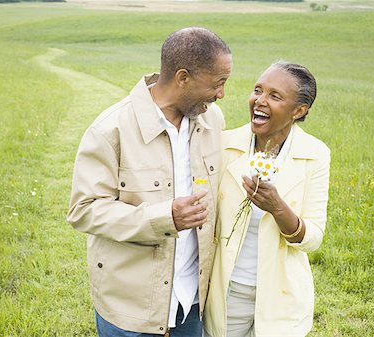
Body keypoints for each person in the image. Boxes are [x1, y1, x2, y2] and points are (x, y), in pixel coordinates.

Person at [67, 27, 232, 336]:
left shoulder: (214, 120)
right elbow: (83, 210)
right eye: (218, 83)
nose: (221, 93)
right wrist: (164, 217)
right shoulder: (110, 129)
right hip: (131, 310)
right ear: (183, 78)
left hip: (192, 304)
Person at [204, 61, 331, 337]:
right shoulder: (224, 145)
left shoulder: (315, 155)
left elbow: (313, 239)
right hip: (229, 292)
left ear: (299, 110)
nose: (259, 101)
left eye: (274, 96)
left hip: (281, 297)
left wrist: (277, 208)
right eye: (258, 90)